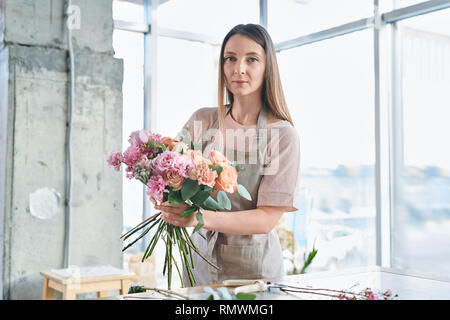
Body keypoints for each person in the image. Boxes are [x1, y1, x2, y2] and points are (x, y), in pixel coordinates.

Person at [153, 24, 301, 287]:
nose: (238, 69)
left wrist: (198, 217)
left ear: (268, 67)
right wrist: (167, 200)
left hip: (252, 272)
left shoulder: (282, 135)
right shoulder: (201, 121)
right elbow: (169, 174)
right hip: (198, 261)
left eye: (252, 59)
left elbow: (266, 219)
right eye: (230, 58)